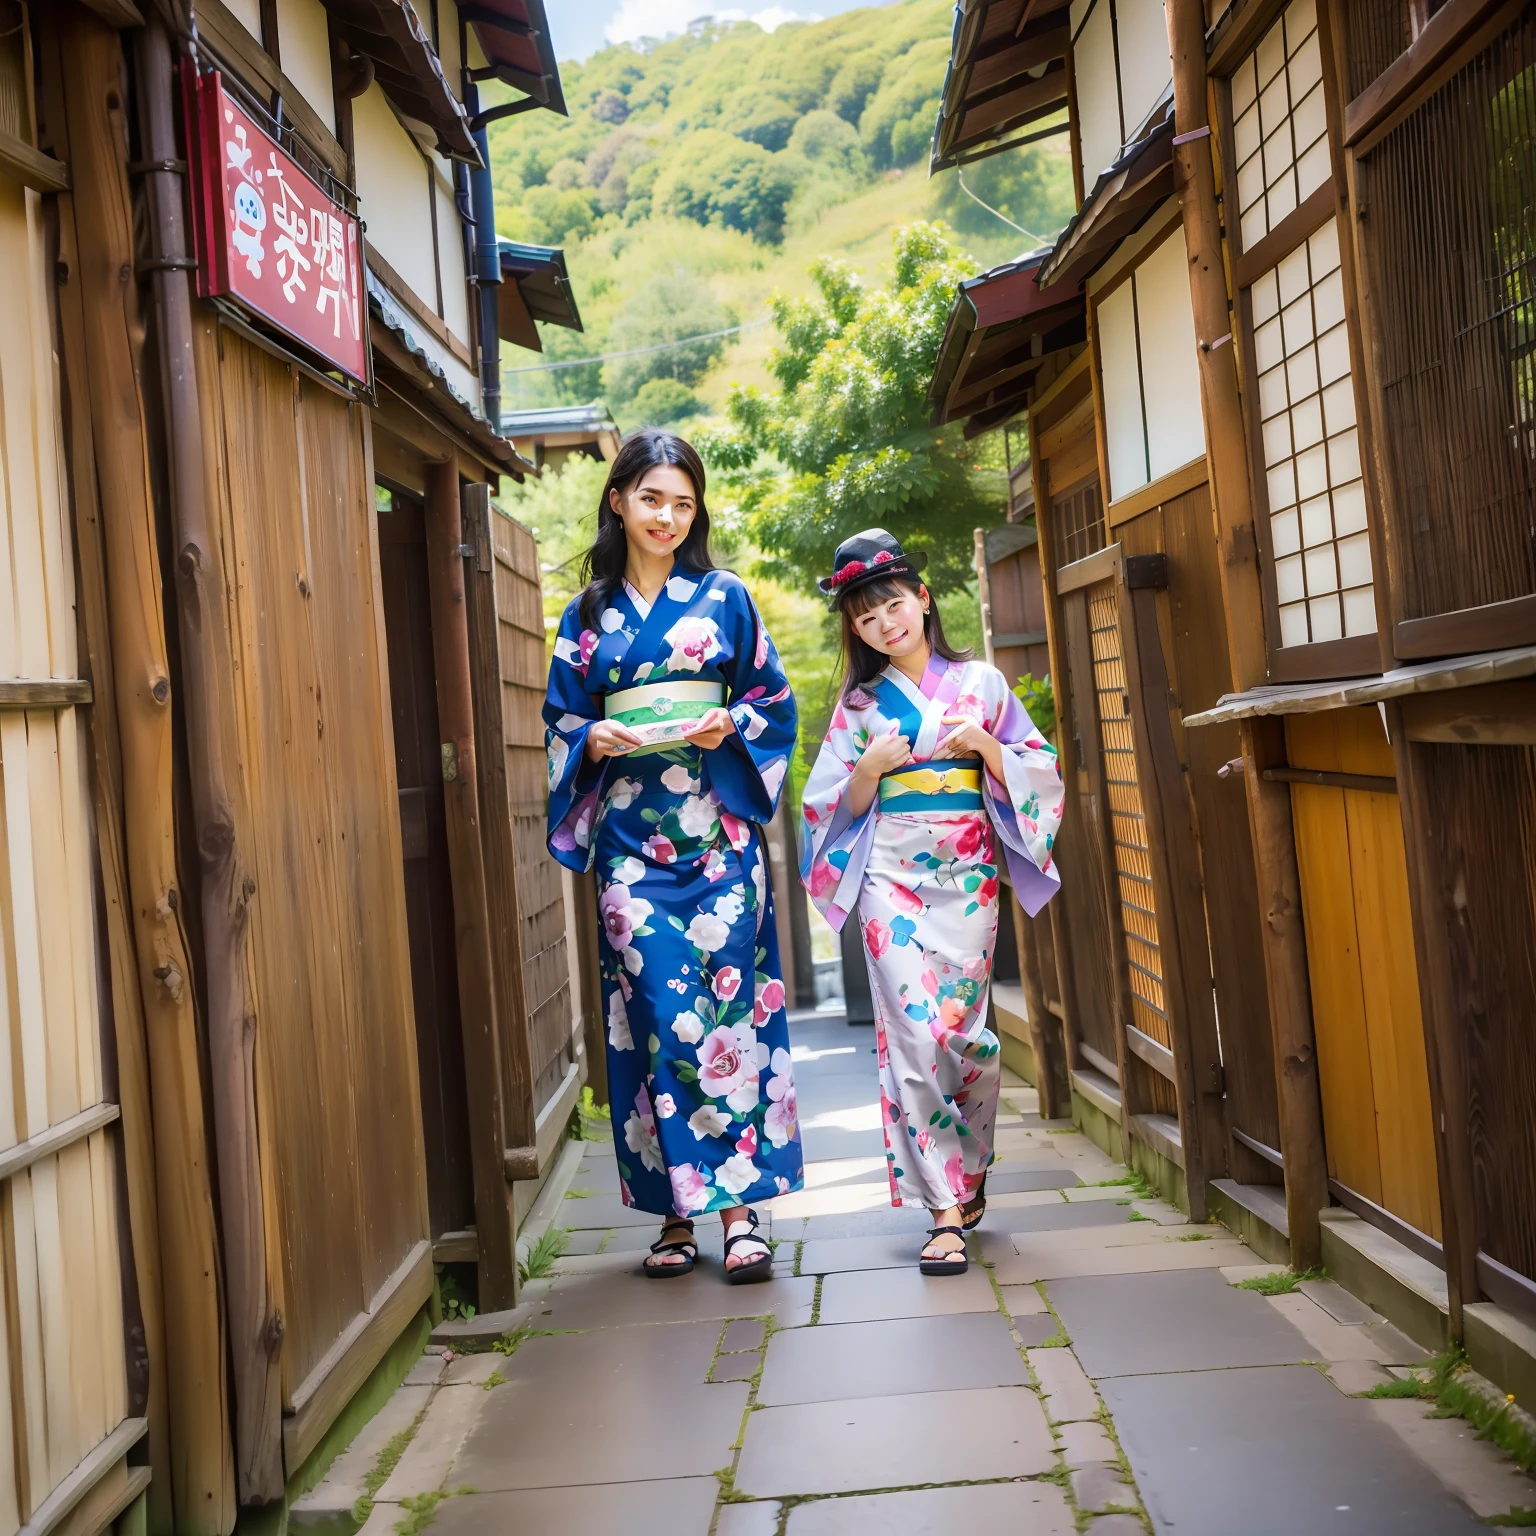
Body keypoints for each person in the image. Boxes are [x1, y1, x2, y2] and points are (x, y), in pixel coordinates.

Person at [543, 430, 802, 1283]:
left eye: (683, 503)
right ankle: (673, 1216)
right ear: (618, 500)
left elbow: (774, 701)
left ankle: (740, 1213)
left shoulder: (725, 597)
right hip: (629, 846)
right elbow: (558, 723)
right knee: (653, 1014)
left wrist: (734, 724)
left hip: (719, 841)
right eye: (652, 498)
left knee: (728, 1015)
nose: (667, 516)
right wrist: (591, 736)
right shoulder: (583, 618)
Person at [800, 529, 1063, 1274]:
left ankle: (969, 1165)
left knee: (966, 1037)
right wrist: (870, 769)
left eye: (892, 605)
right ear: (854, 630)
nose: (884, 624)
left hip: (968, 873)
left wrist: (986, 744)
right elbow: (825, 809)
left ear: (921, 598)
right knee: (915, 1037)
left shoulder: (983, 683)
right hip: (891, 877)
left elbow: (1040, 772)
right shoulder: (858, 707)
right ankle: (943, 1209)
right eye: (865, 617)